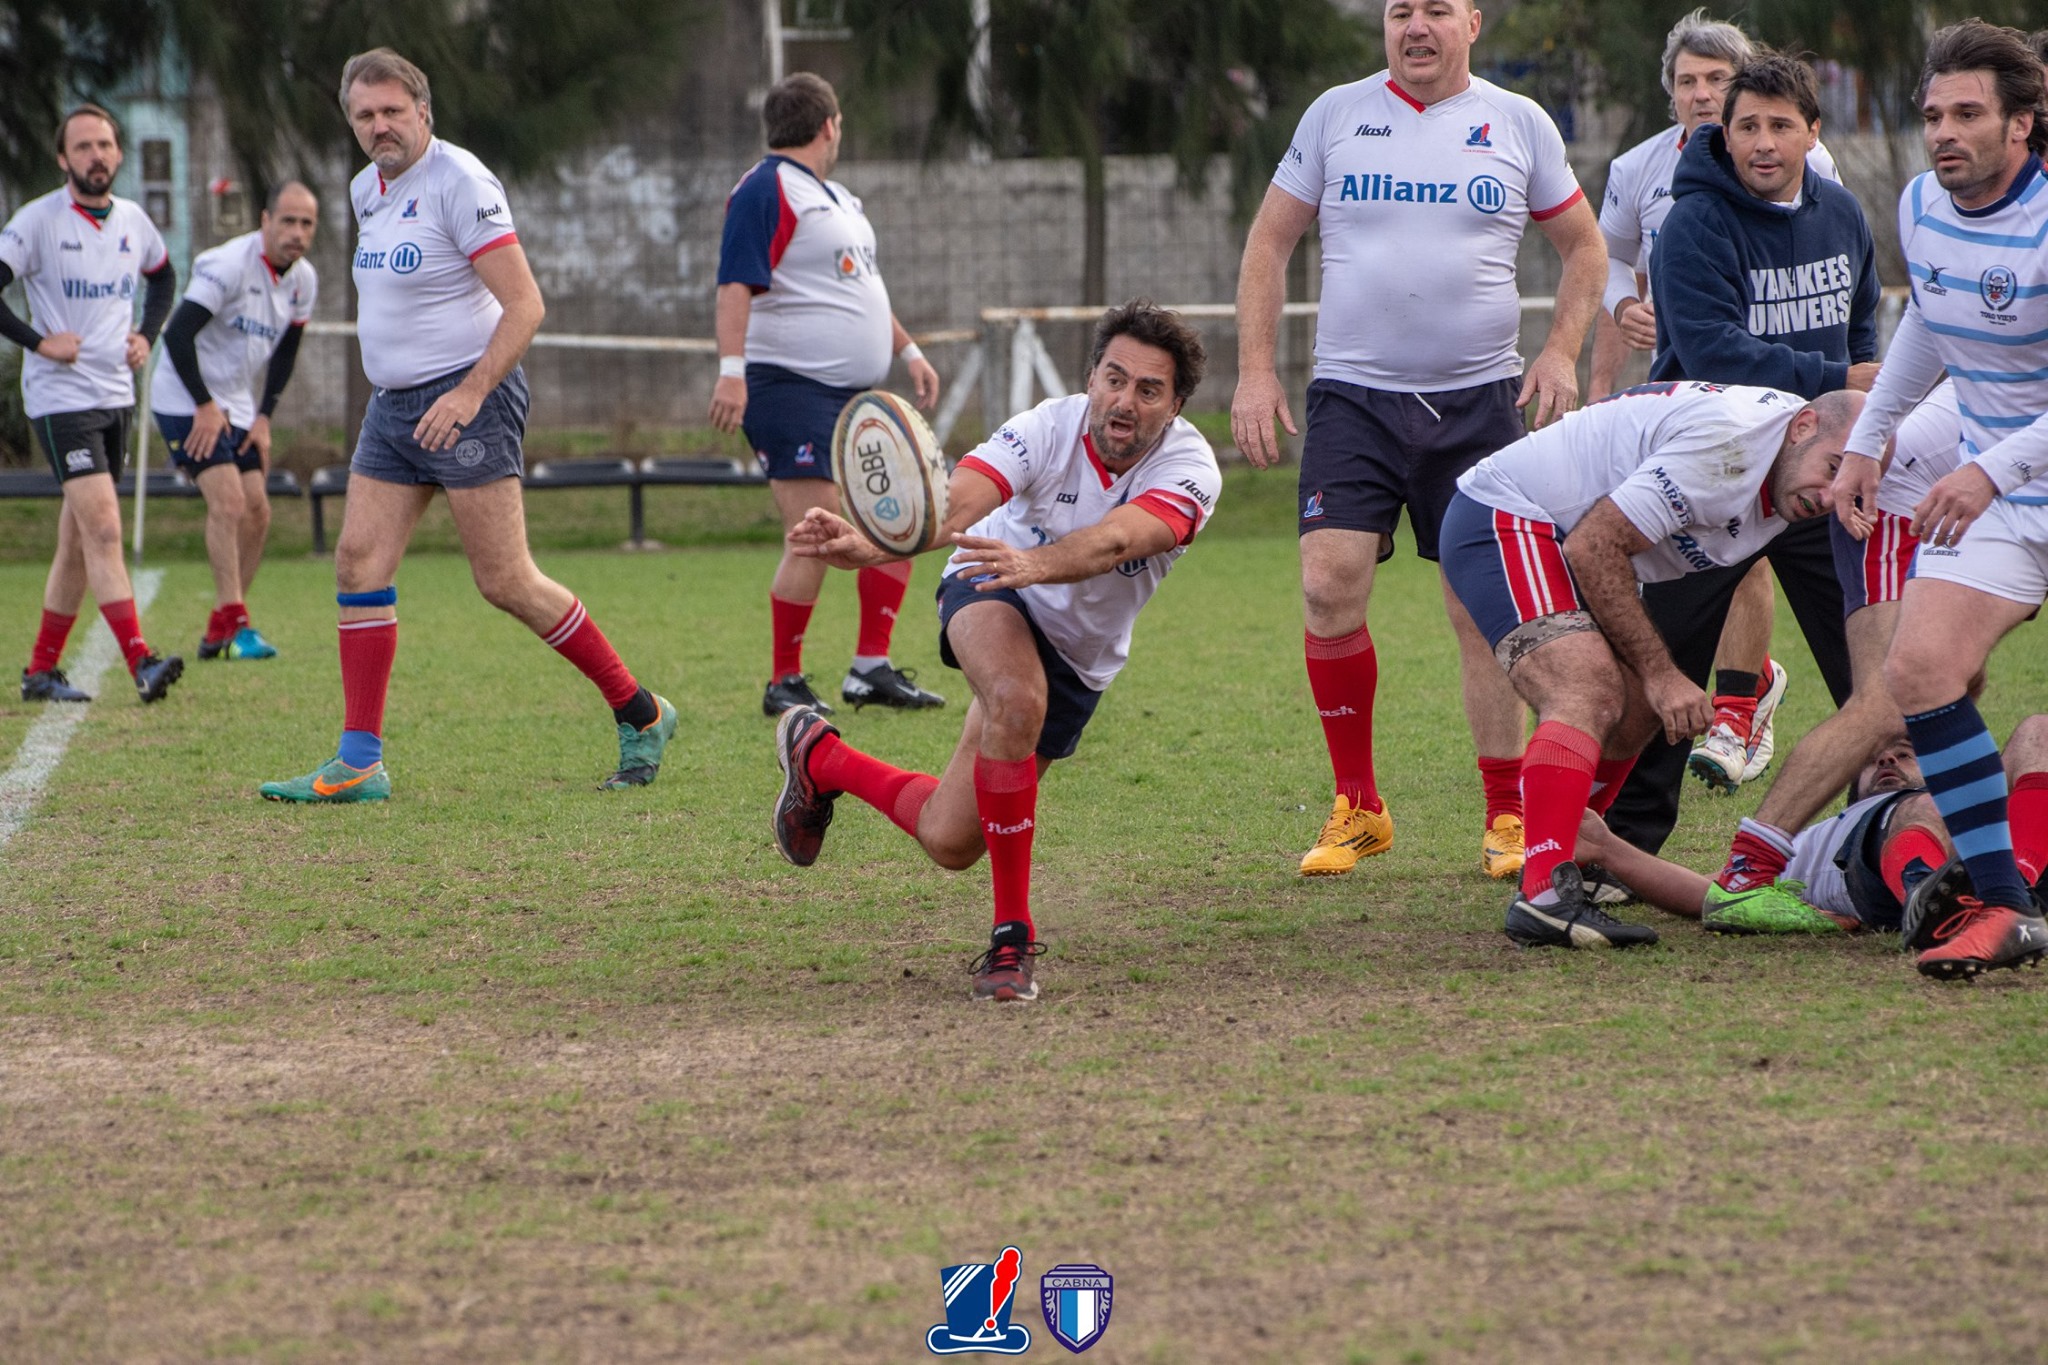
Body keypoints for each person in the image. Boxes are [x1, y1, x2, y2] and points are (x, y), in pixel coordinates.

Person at [1232, 0, 1607, 884]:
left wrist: (1559, 351)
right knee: (1328, 584)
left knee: (1479, 611)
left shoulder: (1518, 124)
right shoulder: (1335, 114)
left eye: (1437, 9)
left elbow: (1584, 250)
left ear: (1473, 22)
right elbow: (1268, 242)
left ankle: (1506, 810)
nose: (1416, 26)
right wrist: (1253, 371)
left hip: (1478, 404)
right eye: (1400, 9)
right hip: (1354, 399)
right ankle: (1359, 806)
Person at [769, 301, 1220, 1002]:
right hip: (989, 589)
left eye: (1148, 389)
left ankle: (820, 758)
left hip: (1077, 653)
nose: (1124, 400)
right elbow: (956, 503)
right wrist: (872, 544)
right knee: (1015, 698)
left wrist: (1038, 563)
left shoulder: (1192, 467)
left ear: (1176, 404)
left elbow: (1121, 540)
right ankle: (1012, 941)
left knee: (950, 838)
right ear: (1091, 376)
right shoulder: (1045, 426)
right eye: (1114, 378)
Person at [260, 48, 675, 803]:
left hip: (468, 399)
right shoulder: (365, 189)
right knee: (357, 561)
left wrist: (471, 392)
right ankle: (359, 761)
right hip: (392, 409)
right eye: (364, 114)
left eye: (392, 110)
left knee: (506, 581)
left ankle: (640, 710)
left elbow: (526, 306)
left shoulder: (461, 181)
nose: (379, 125)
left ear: (424, 111)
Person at [1439, 380, 1863, 948]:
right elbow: (1594, 547)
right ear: (1804, 426)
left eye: (1850, 481)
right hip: (1509, 515)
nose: (1833, 493)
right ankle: (1544, 893)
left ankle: (1576, 846)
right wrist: (1663, 675)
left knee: (1636, 712)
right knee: (1586, 690)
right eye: (1832, 468)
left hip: (1578, 540)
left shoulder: (1790, 464)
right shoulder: (1728, 448)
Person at [1602, 48, 1880, 863]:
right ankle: (1620, 849)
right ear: (1721, 134)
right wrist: (1841, 377)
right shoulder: (1693, 222)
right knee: (1656, 673)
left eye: (1780, 127)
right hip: (1712, 476)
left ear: (1811, 132)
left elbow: (1862, 329)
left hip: (1817, 477)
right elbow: (1716, 351)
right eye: (1747, 126)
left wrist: (1852, 412)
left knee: (1872, 665)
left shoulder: (1843, 214)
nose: (1763, 143)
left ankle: (1887, 831)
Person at [1829, 20, 2048, 979]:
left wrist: (1989, 466)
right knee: (1919, 672)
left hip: (1998, 477)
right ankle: (2006, 907)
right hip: (2001, 493)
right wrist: (1866, 441)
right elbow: (1926, 318)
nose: (1945, 132)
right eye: (1933, 115)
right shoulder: (1922, 204)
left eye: (1968, 114)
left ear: (2022, 125)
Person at [710, 72, 945, 718]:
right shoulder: (765, 189)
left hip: (856, 393)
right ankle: (783, 680)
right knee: (813, 533)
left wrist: (908, 349)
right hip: (787, 388)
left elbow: (861, 289)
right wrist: (731, 369)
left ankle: (870, 668)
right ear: (829, 125)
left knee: (901, 513)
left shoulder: (837, 197)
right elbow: (735, 285)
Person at [1697, 383, 1962, 933]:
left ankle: (1981, 855)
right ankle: (1747, 873)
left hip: (1985, 496)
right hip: (1895, 499)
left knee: (1954, 681)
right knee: (1888, 700)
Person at [0, 104, 182, 704]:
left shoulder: (133, 220)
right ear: (63, 158)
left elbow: (163, 276)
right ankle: (141, 660)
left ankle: (40, 672)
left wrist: (145, 336)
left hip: (115, 395)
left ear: (119, 153)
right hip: (60, 398)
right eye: (83, 147)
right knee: (104, 527)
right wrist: (38, 341)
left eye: (105, 144)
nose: (96, 156)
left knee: (78, 539)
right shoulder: (38, 222)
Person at [1581, 719, 2048, 946]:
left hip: (2000, 850)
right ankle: (1928, 902)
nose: (1887, 759)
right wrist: (1606, 847)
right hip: (1877, 874)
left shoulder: (1968, 796)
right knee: (1921, 807)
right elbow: (1714, 894)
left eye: (1905, 753)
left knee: (2037, 730)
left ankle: (2020, 889)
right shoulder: (1813, 838)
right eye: (1873, 759)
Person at [151, 182, 320, 662]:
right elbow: (178, 336)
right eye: (287, 221)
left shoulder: (303, 279)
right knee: (227, 504)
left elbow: (287, 348)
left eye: (306, 224)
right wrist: (204, 405)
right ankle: (238, 624)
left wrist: (264, 417)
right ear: (265, 220)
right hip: (185, 396)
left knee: (258, 510)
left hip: (237, 403)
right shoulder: (227, 266)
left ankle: (221, 626)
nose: (297, 232)